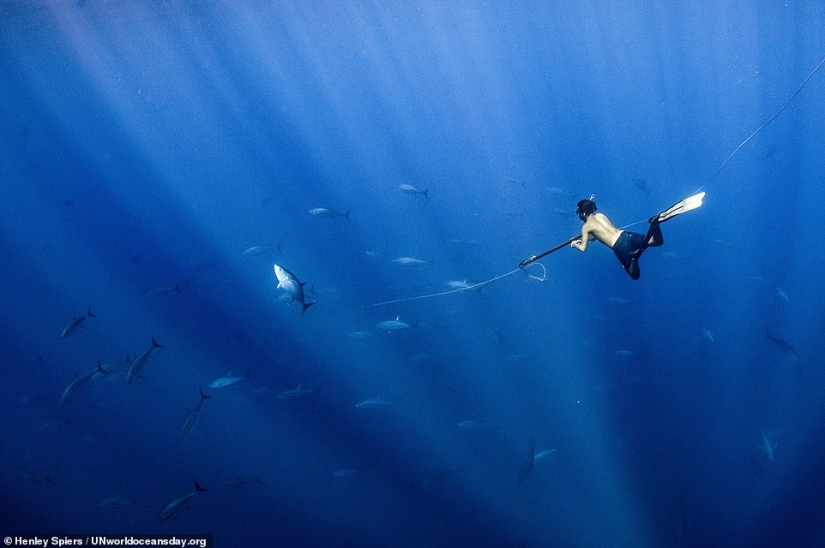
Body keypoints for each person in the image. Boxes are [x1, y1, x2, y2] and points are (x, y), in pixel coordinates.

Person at [571, 198, 663, 280]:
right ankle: (654, 224)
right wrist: (584, 239)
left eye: (578, 213)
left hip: (619, 246)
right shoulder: (600, 215)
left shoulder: (586, 227)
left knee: (635, 275)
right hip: (626, 236)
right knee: (656, 241)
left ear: (583, 213)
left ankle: (634, 258)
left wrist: (574, 245)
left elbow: (583, 248)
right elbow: (597, 235)